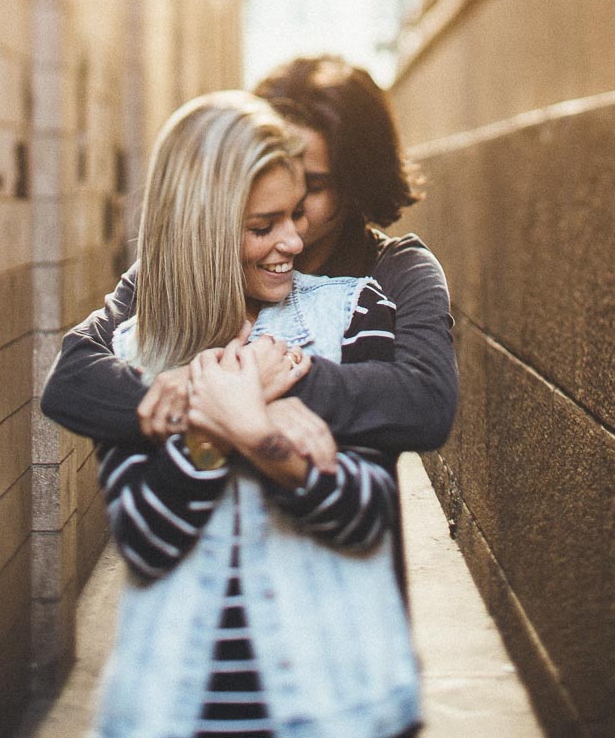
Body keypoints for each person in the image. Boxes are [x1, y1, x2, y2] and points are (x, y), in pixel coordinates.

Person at [87, 92, 421, 737]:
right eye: (263, 226)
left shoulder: (357, 312)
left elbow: (365, 515)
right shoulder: (130, 354)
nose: (294, 240)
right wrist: (217, 424)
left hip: (337, 708)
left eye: (296, 214)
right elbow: (146, 542)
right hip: (172, 713)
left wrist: (253, 428)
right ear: (202, 226)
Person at [41, 55, 455, 470]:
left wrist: (253, 385)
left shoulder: (399, 270)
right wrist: (207, 399)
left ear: (355, 183)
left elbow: (425, 403)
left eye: (312, 184)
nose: (288, 195)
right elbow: (72, 379)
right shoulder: (200, 267)